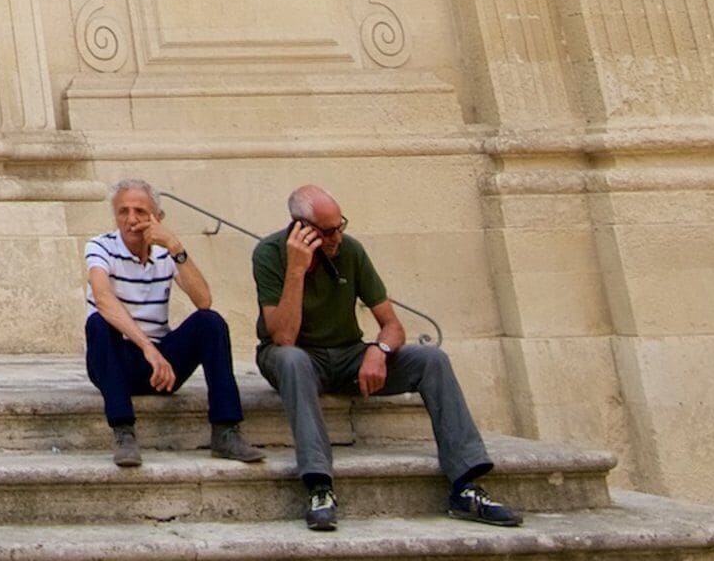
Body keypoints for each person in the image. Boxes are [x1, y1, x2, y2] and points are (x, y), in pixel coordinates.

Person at [250, 184, 521, 532]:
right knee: (292, 359)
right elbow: (283, 336)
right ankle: (319, 487)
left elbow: (392, 325)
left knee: (431, 360)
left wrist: (380, 351)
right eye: (328, 231)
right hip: (296, 357)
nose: (337, 237)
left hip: (348, 355)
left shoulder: (350, 251)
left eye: (340, 226)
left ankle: (465, 486)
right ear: (301, 229)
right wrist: (297, 271)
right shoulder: (269, 254)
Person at [81, 179, 261, 469]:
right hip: (116, 361)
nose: (131, 219)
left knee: (210, 323)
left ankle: (226, 431)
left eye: (140, 211)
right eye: (123, 211)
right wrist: (148, 349)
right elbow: (103, 298)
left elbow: (203, 300)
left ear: (158, 218)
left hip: (159, 367)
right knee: (99, 324)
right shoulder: (100, 246)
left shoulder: (167, 253)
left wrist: (175, 245)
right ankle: (124, 433)